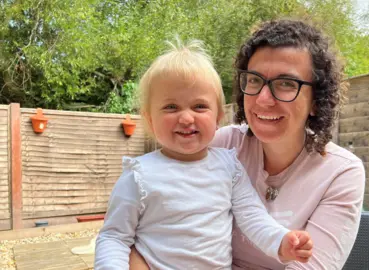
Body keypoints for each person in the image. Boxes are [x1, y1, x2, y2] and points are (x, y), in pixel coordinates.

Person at [130, 19, 366, 269]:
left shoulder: (340, 173)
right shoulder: (220, 146)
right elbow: (141, 230)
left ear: (316, 100)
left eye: (286, 83)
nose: (263, 99)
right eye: (254, 80)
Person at [94, 38, 314, 270]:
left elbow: (252, 217)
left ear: (218, 116)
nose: (187, 118)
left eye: (199, 106)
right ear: (149, 119)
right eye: (171, 107)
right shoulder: (138, 175)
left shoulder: (229, 167)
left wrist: (281, 242)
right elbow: (114, 237)